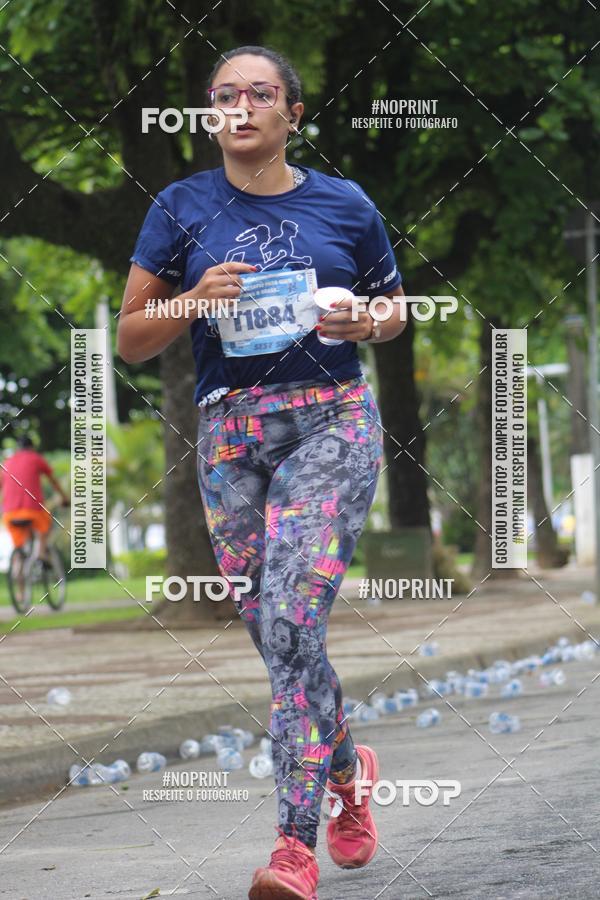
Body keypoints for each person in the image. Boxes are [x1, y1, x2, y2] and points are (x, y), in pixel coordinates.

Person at [118, 44, 406, 900]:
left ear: (293, 113)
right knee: (277, 636)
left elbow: (394, 308)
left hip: (332, 423)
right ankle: (351, 768)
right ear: (209, 113)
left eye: (260, 94)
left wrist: (368, 324)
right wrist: (193, 298)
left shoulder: (346, 205)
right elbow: (132, 336)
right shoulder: (178, 207)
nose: (239, 107)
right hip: (229, 437)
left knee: (287, 615)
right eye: (224, 95)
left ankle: (292, 846)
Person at [0, 436, 69, 561]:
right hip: (33, 510)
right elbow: (53, 481)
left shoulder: (7, 462)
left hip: (9, 514)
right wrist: (64, 498)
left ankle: (18, 572)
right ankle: (40, 553)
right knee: (46, 524)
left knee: (18, 547)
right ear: (32, 447)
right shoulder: (36, 458)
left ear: (18, 448)